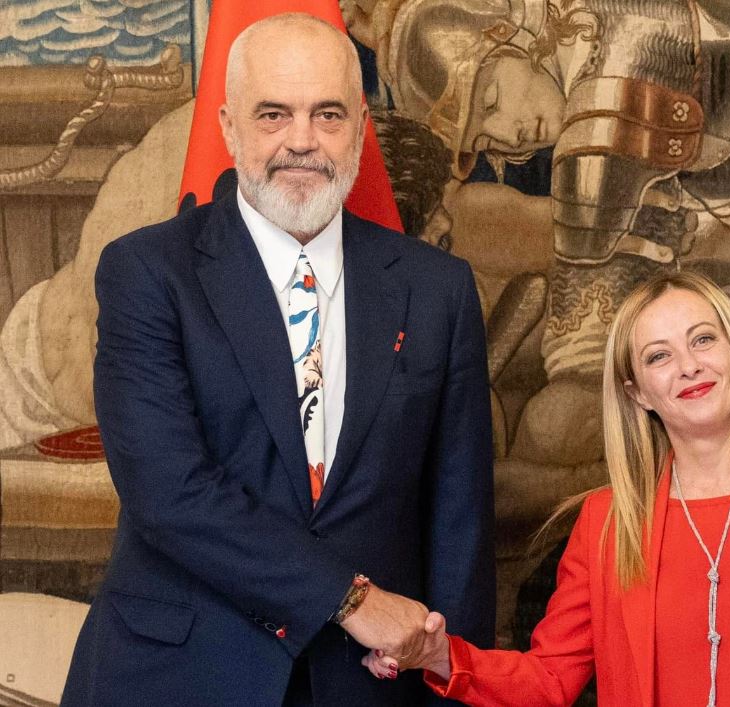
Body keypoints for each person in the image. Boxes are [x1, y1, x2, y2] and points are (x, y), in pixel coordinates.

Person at [61, 13, 495, 706]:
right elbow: (171, 492)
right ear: (229, 127)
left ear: (360, 125)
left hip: (370, 685)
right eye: (274, 114)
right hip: (179, 677)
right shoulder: (148, 272)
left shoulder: (436, 289)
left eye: (328, 114)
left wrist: (457, 674)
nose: (302, 140)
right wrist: (352, 600)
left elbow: (459, 520)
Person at [365, 271, 730, 706]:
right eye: (658, 356)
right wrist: (440, 656)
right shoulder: (606, 523)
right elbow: (549, 681)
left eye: (703, 339)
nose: (689, 365)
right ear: (637, 393)